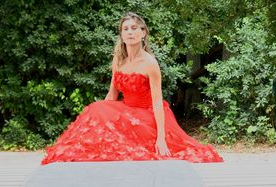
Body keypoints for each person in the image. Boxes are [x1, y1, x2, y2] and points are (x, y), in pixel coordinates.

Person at [41, 12, 223, 164]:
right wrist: (101, 120)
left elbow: (158, 102)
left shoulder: (150, 63)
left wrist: (161, 138)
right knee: (96, 108)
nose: (130, 32)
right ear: (121, 35)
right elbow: (112, 95)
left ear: (143, 33)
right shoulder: (118, 59)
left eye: (134, 28)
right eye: (125, 29)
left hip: (148, 114)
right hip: (127, 110)